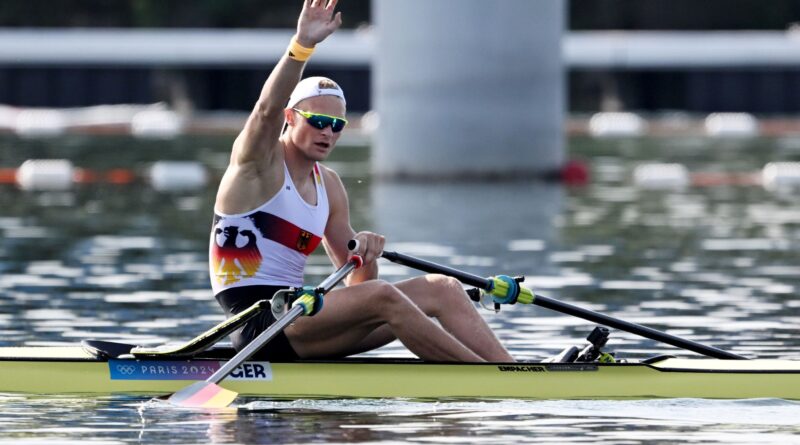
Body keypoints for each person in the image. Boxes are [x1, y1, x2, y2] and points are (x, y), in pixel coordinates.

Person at [209, 0, 514, 363]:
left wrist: (363, 253)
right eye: (317, 121)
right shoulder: (258, 164)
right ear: (291, 117)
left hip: (300, 318)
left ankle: (512, 372)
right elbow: (265, 109)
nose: (328, 132)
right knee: (384, 297)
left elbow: (361, 289)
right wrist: (301, 45)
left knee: (443, 289)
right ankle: (488, 380)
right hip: (260, 323)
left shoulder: (331, 187)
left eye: (337, 125)